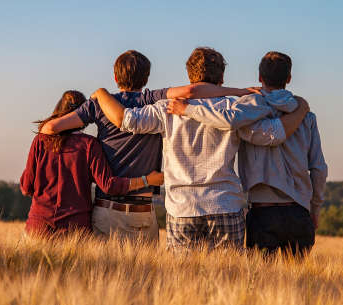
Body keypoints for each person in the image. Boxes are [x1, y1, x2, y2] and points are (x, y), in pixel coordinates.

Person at [91, 47, 309, 251]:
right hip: (225, 204)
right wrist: (300, 110)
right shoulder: (234, 108)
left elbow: (126, 120)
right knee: (229, 281)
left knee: (183, 282)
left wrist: (101, 94)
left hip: (182, 208)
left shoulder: (165, 109)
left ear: (189, 76)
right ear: (222, 78)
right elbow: (271, 135)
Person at [39, 50, 261, 241]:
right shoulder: (152, 99)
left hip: (108, 209)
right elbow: (192, 91)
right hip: (146, 211)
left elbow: (50, 129)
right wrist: (238, 92)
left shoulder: (99, 105)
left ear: (115, 76)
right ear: (146, 78)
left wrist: (87, 138)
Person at [167, 51, 328, 257]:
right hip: (299, 211)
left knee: (260, 284)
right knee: (298, 285)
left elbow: (229, 121)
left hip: (262, 212)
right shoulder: (306, 116)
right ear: (288, 79)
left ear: (260, 78)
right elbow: (318, 168)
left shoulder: (245, 111)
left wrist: (188, 110)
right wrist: (315, 208)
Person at [20, 90, 163, 237]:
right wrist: (147, 180)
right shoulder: (89, 145)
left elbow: (26, 188)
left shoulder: (40, 141)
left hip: (38, 227)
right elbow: (108, 185)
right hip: (75, 230)